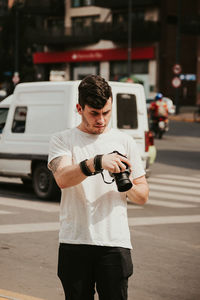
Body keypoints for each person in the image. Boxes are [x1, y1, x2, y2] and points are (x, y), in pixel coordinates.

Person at [48, 75, 149, 300]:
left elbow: (142, 196)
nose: (101, 120)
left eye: (106, 112)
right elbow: (62, 178)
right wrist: (97, 162)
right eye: (94, 113)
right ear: (79, 108)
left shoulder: (125, 142)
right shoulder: (62, 140)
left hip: (114, 243)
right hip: (75, 241)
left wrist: (126, 183)